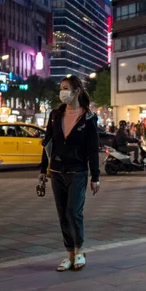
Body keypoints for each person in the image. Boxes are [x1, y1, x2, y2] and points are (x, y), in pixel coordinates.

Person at [39, 76, 100, 271]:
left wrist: (95, 177)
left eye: (66, 88)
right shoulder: (55, 115)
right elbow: (47, 143)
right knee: (62, 215)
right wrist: (42, 171)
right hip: (56, 171)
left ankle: (79, 250)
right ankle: (69, 254)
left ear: (76, 91)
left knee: (73, 212)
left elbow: (92, 150)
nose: (62, 92)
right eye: (61, 88)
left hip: (78, 171)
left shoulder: (88, 118)